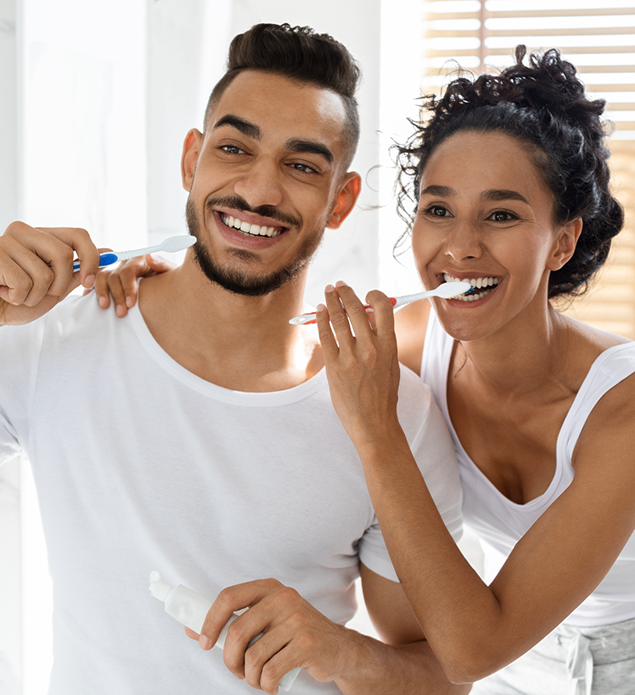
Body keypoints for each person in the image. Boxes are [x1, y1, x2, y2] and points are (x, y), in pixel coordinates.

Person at [0, 23, 466, 695]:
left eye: (302, 165)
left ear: (340, 199)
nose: (259, 190)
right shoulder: (55, 342)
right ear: (191, 159)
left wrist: (341, 652)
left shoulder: (393, 414)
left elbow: (443, 676)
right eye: (233, 147)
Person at [313, 46, 635, 694]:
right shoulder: (402, 348)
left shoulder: (621, 413)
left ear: (562, 241)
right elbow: (264, 363)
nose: (459, 247)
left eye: (500, 214)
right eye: (438, 209)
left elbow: (469, 650)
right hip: (514, 661)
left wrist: (377, 431)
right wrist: (149, 290)